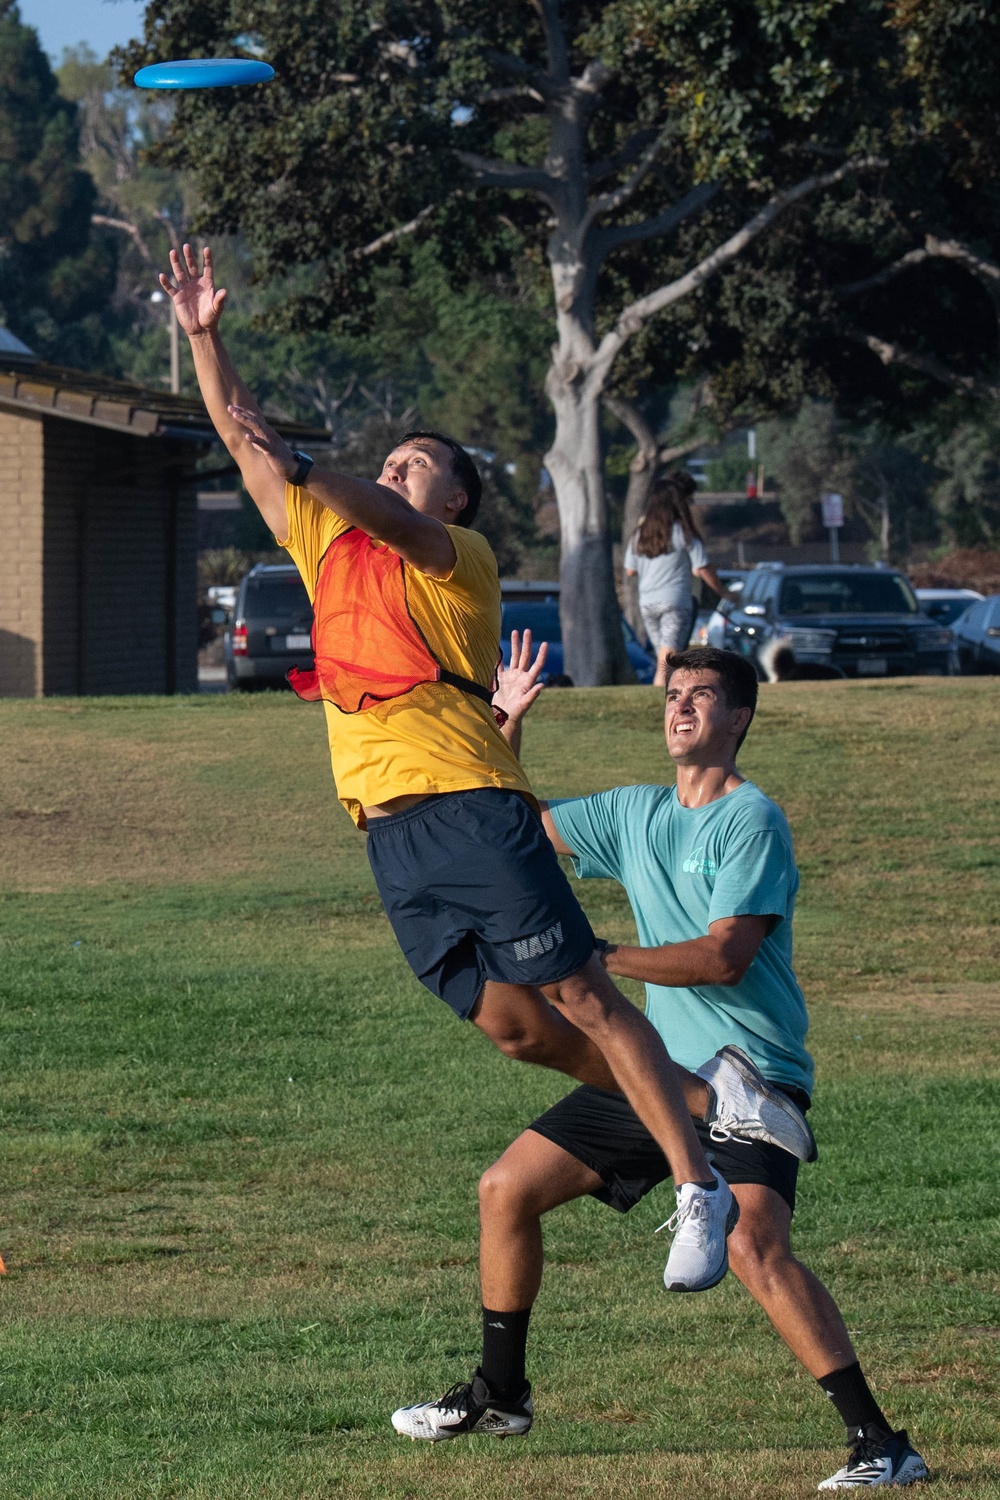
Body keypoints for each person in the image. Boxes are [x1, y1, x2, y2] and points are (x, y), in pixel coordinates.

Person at [160, 244, 816, 1294]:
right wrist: (202, 336)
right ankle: (703, 1104)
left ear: (457, 498)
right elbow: (246, 440)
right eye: (390, 458)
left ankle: (698, 1182)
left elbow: (368, 505)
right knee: (517, 1026)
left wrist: (309, 470)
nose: (395, 467)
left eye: (419, 461)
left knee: (580, 989)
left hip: (469, 799)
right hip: (387, 826)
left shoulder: (453, 560)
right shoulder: (327, 548)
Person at [391, 647, 928, 1493]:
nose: (679, 709)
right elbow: (514, 832)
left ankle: (880, 1444)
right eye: (673, 695)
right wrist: (507, 725)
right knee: (506, 1189)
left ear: (740, 717)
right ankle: (501, 1396)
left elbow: (725, 957)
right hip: (656, 1076)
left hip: (749, 1080)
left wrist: (599, 957)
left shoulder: (752, 820)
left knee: (755, 1248)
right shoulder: (635, 812)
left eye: (701, 698)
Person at [624, 473, 737, 685]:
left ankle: (665, 698)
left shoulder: (639, 534)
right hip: (675, 601)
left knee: (663, 657)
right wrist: (723, 593)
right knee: (667, 662)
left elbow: (630, 571)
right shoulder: (684, 533)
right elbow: (702, 568)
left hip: (647, 603)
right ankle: (660, 704)